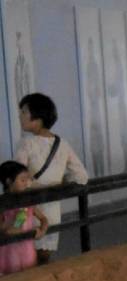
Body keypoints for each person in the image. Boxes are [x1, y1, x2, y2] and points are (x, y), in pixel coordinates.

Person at [15, 93, 88, 263]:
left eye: (24, 111)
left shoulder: (27, 143)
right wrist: (58, 183)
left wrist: (37, 186)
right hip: (52, 212)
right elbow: (81, 176)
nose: (20, 115)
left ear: (38, 117)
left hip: (27, 212)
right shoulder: (62, 144)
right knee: (43, 259)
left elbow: (17, 180)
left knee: (21, 258)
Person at [0, 160, 48, 275]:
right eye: (22, 180)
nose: (27, 184)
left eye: (27, 180)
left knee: (29, 276)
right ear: (9, 181)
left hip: (27, 251)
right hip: (10, 254)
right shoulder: (3, 204)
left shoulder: (27, 201)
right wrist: (15, 226)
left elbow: (43, 219)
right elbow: (6, 229)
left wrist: (42, 230)